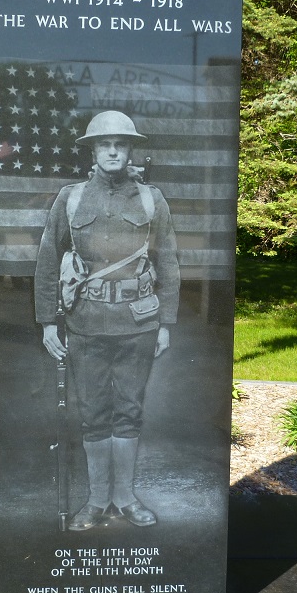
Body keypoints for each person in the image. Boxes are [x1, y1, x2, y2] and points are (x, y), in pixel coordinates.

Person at [34, 110, 180, 531]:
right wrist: (48, 322)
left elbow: (168, 262)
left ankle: (125, 498)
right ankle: (97, 501)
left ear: (131, 149)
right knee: (94, 412)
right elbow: (47, 261)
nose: (113, 151)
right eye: (104, 144)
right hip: (86, 323)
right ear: (93, 151)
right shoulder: (71, 198)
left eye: (120, 144)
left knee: (130, 411)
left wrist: (166, 323)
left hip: (139, 323)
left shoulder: (151, 199)